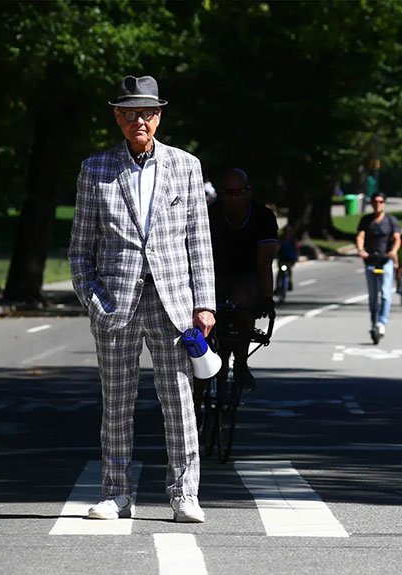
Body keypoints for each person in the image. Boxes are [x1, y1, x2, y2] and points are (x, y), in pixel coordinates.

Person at [68, 75, 215, 524]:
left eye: (147, 113)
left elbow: (199, 240)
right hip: (116, 303)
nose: (139, 121)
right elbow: (79, 249)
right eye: (130, 113)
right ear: (117, 117)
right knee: (116, 403)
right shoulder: (95, 169)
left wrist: (204, 301)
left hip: (172, 302)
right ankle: (116, 494)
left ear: (159, 116)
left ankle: (184, 494)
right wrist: (96, 303)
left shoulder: (186, 166)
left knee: (178, 402)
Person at [207, 168, 278, 391]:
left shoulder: (263, 217)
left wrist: (266, 297)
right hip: (215, 271)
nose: (234, 198)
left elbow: (264, 263)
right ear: (221, 194)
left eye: (240, 192)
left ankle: (241, 362)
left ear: (248, 192)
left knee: (244, 300)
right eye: (229, 193)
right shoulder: (211, 214)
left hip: (248, 272)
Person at [355, 192, 400, 339]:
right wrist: (361, 250)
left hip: (385, 260)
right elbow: (360, 236)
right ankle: (373, 320)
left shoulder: (390, 220)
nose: (377, 204)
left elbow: (397, 238)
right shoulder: (366, 220)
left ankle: (382, 322)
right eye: (375, 201)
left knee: (386, 293)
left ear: (384, 203)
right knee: (373, 296)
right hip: (370, 260)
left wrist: (393, 251)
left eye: (380, 201)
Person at [277, 224, 299, 292]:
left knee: (289, 269)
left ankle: (289, 282)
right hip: (282, 258)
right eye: (286, 231)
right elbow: (276, 248)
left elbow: (296, 250)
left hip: (290, 259)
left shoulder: (293, 240)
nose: (288, 233)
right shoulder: (280, 239)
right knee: (280, 272)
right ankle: (277, 286)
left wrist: (296, 257)